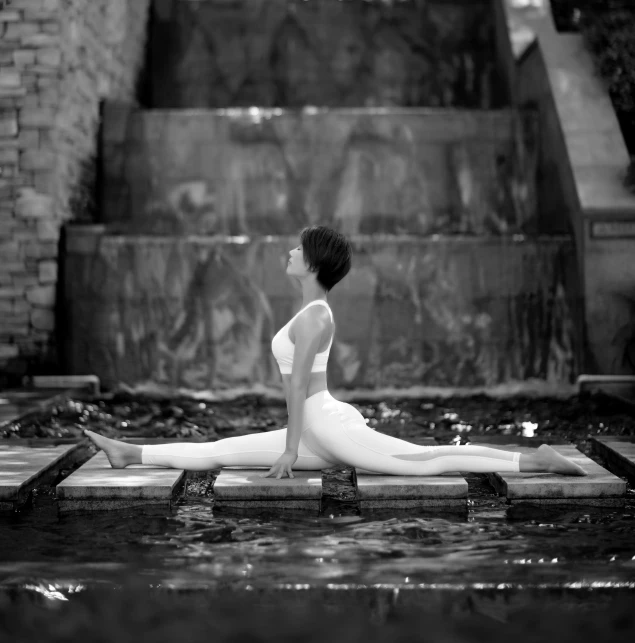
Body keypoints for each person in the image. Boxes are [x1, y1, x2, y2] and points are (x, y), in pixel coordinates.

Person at [85, 225, 587, 479]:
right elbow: (298, 389)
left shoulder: (316, 316)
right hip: (318, 426)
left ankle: (532, 460)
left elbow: (298, 386)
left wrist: (288, 450)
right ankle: (130, 452)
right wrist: (292, 442)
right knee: (220, 452)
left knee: (424, 461)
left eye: (297, 250)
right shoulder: (309, 313)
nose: (289, 252)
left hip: (319, 426)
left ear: (312, 264)